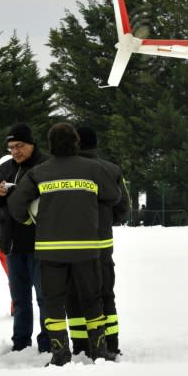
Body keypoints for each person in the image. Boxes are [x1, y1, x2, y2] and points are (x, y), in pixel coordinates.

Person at [7, 122, 121, 367]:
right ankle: (99, 351)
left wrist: (32, 218)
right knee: (92, 300)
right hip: (86, 248)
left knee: (54, 302)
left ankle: (60, 354)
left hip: (51, 250)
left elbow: (16, 205)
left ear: (49, 145)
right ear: (76, 143)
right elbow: (113, 196)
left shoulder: (39, 172)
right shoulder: (92, 169)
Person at [65, 126, 131, 356]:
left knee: (73, 295)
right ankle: (111, 343)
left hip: (71, 245)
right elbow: (123, 208)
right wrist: (104, 220)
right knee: (105, 295)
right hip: (102, 244)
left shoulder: (66, 170)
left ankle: (81, 345)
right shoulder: (111, 169)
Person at [0, 122, 50, 352]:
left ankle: (48, 341)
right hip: (13, 244)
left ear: (31, 144)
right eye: (11, 147)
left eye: (19, 146)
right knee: (19, 299)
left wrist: (20, 194)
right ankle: (20, 341)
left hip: (40, 243)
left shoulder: (46, 165)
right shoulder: (5, 168)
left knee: (44, 297)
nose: (15, 151)